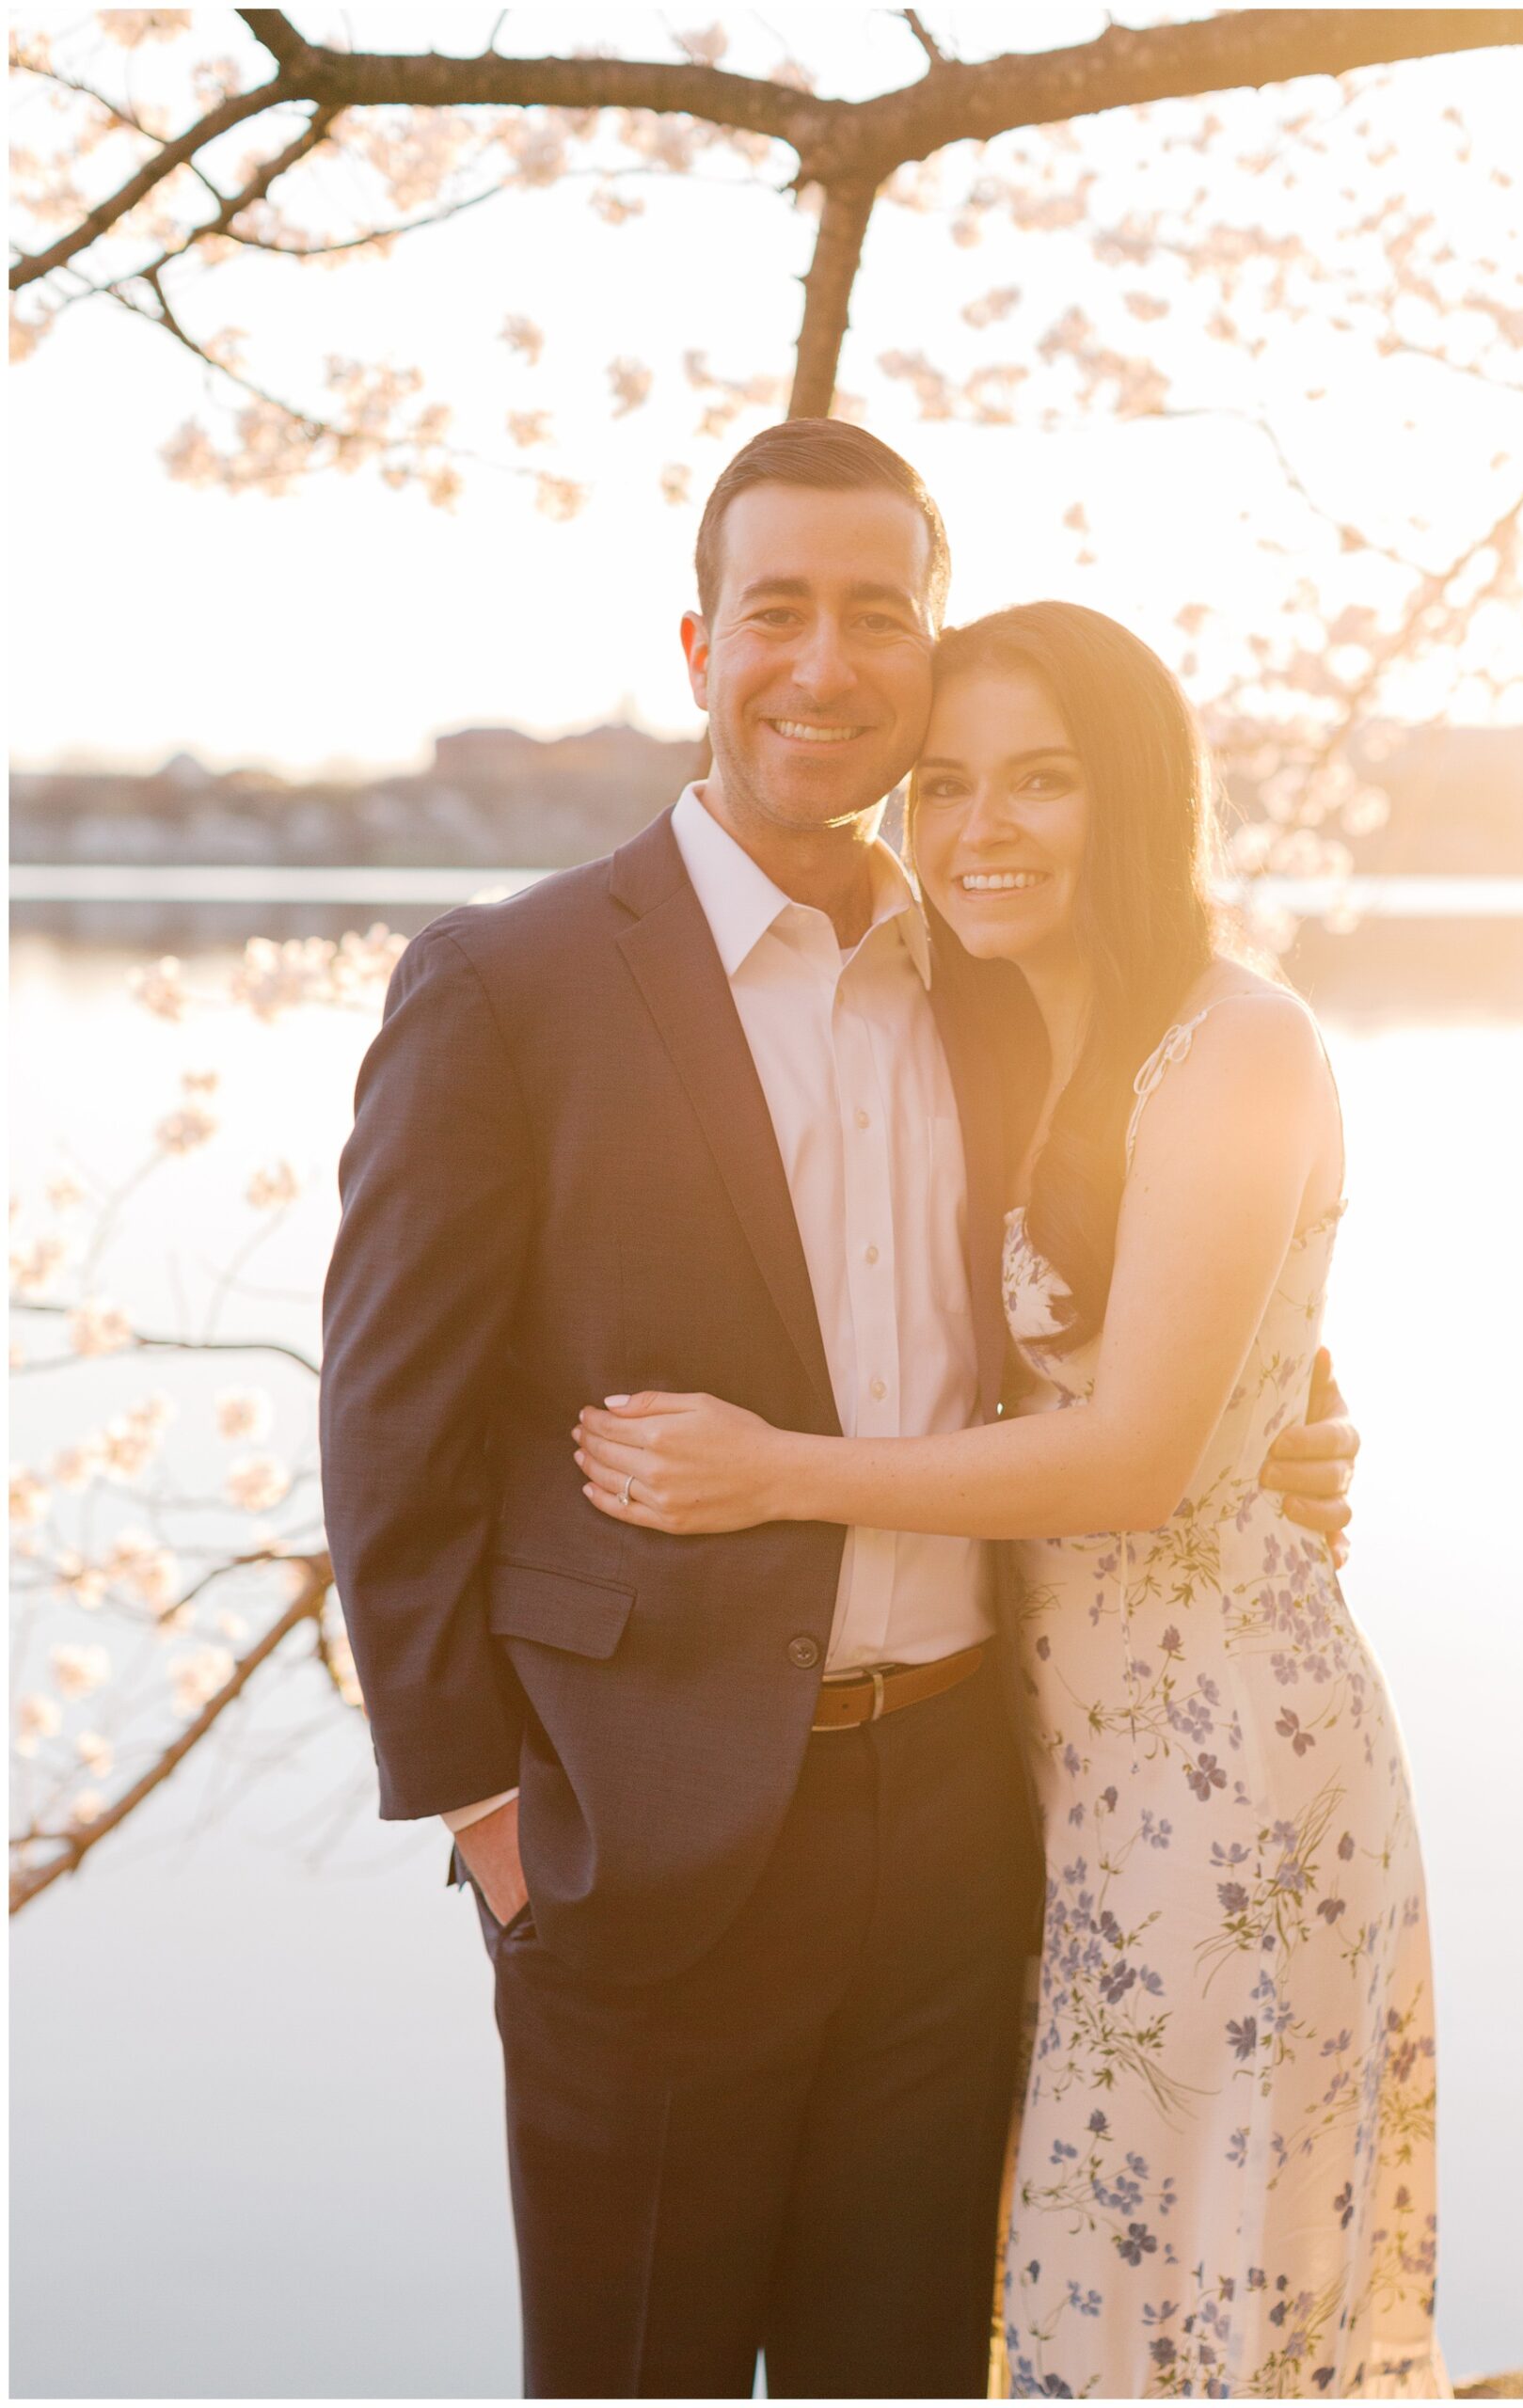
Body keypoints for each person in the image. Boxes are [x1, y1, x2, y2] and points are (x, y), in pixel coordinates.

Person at [320, 424, 1359, 2400]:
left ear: (927, 643)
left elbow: (1145, 1273)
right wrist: (489, 1816)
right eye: (775, 610)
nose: (824, 659)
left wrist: (1293, 1417)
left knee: (902, 2371)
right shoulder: (510, 984)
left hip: (970, 1820)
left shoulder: (990, 976)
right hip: (645, 1837)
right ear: (700, 645)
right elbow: (390, 1436)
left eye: (876, 613)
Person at [571, 600, 1449, 2398]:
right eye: (946, 782)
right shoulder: (979, 1041)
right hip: (1035, 1765)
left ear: (1136, 801)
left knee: (1192, 2302)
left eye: (1040, 782)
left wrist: (771, 1477)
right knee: (1054, 2285)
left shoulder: (1236, 1043)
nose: (979, 829)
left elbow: (1133, 1456)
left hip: (1219, 1766)